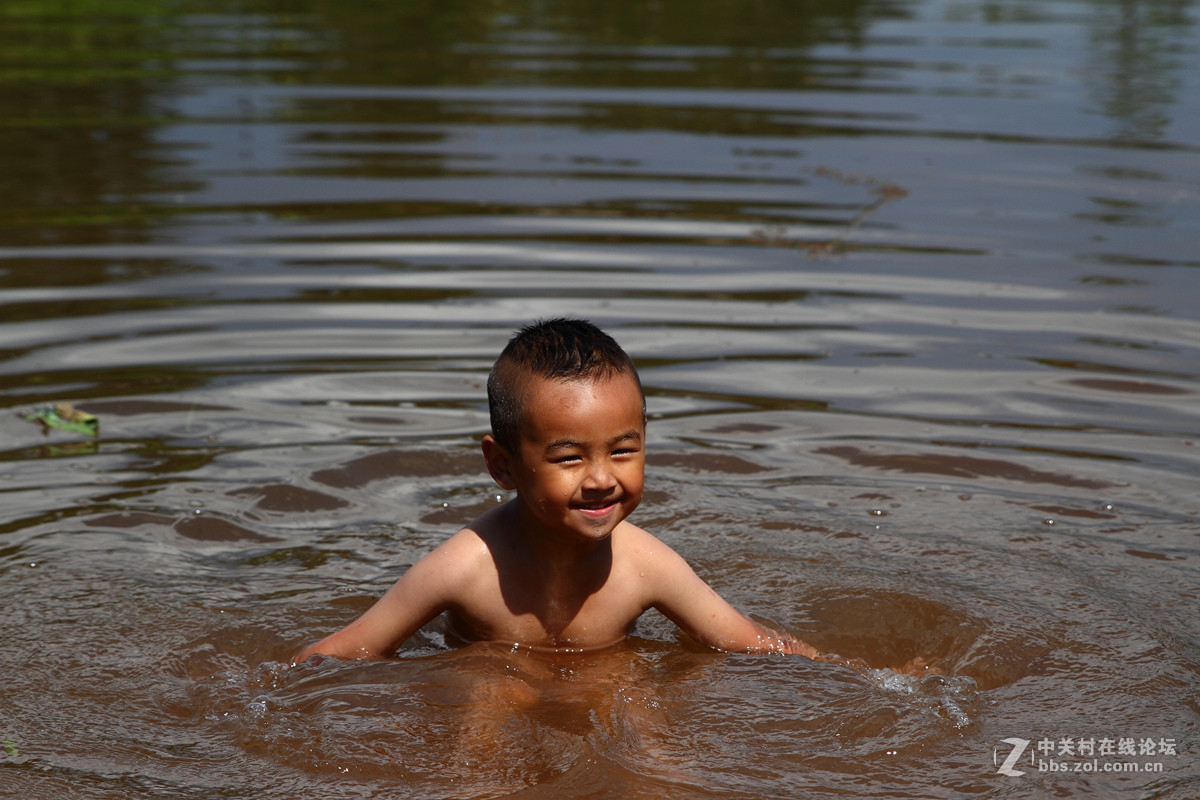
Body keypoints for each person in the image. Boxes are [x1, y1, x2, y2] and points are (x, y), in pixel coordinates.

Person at [293, 318, 820, 663]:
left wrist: (867, 676)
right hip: (491, 677)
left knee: (647, 730)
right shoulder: (466, 567)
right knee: (487, 705)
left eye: (622, 450)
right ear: (503, 466)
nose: (600, 478)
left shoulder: (646, 566)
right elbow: (348, 650)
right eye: (569, 457)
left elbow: (750, 643)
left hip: (609, 680)